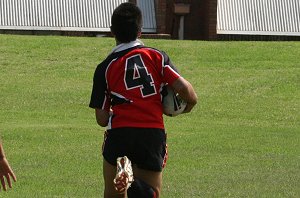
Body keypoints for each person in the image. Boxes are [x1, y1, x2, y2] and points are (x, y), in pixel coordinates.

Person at [89, 2, 197, 197]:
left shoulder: (105, 67)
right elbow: (185, 90)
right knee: (152, 192)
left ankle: (125, 178)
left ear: (112, 31)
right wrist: (189, 105)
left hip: (120, 133)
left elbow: (101, 119)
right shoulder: (156, 56)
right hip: (151, 132)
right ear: (140, 31)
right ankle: (133, 184)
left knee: (111, 193)